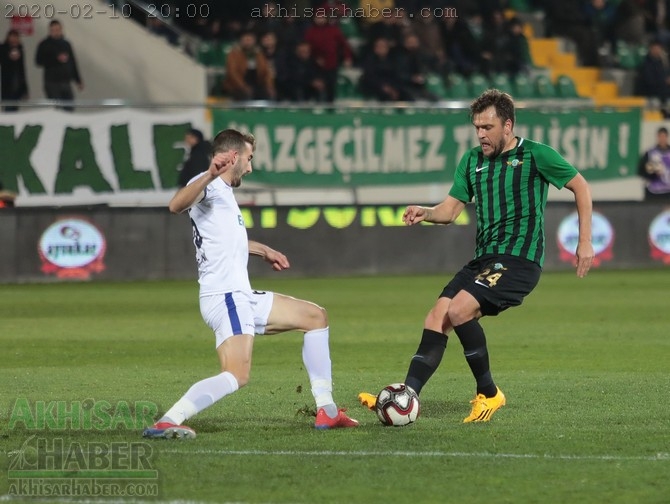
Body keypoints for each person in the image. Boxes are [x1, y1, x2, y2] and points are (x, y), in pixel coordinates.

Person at [358, 89, 594, 423]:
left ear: (508, 126)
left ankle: (489, 393)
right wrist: (425, 212)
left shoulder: (535, 155)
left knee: (460, 309)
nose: (481, 134)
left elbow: (581, 186)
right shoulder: (472, 161)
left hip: (518, 261)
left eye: (488, 127)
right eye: (477, 128)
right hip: (484, 260)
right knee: (436, 317)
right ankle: (406, 396)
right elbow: (450, 211)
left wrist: (585, 241)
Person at [144, 129, 359, 439]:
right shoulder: (208, 185)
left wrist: (264, 250)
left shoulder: (224, 194)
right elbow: (176, 205)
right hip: (226, 297)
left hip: (240, 296)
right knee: (237, 374)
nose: (250, 167)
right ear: (233, 157)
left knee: (315, 317)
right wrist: (208, 174)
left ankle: (327, 410)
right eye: (249, 159)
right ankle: (169, 420)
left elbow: (229, 242)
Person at [35, 20, 83, 111]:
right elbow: (38, 61)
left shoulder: (66, 44)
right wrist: (54, 59)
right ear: (50, 31)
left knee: (69, 107)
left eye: (58, 29)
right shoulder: (44, 44)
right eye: (53, 30)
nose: (56, 32)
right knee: (56, 109)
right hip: (52, 82)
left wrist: (78, 79)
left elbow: (72, 62)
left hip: (65, 81)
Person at [221, 30, 276, 101]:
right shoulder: (234, 54)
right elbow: (232, 73)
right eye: (246, 39)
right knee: (244, 94)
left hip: (256, 84)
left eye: (250, 39)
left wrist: (269, 86)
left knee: (267, 94)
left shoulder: (259, 54)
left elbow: (266, 72)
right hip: (238, 86)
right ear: (241, 40)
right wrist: (244, 87)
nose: (248, 42)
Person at [637, 126, 670, 200]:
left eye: (664, 136)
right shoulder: (650, 153)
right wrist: (651, 173)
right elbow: (640, 170)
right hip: (654, 191)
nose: (662, 139)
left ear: (667, 137)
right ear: (657, 137)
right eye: (660, 136)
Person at [0, 29, 28, 112]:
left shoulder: (20, 49)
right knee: (8, 106)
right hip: (7, 82)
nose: (14, 39)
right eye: (12, 37)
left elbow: (22, 68)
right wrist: (9, 56)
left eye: (16, 37)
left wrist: (25, 89)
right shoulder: (3, 48)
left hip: (18, 82)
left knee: (15, 107)